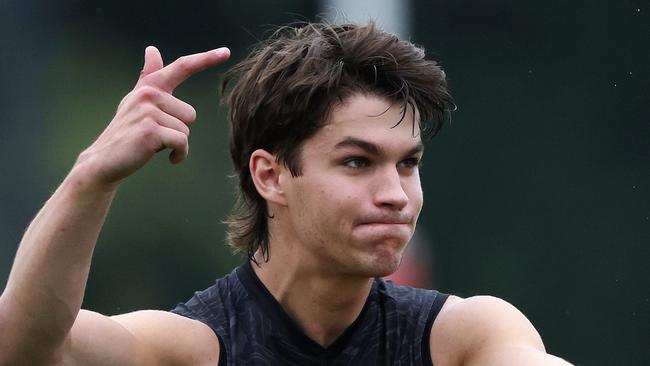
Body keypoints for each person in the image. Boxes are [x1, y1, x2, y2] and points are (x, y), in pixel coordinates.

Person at [0, 22, 572, 366]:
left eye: (409, 163)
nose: (397, 194)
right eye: (358, 162)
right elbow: (26, 350)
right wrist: (91, 175)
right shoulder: (191, 349)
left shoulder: (466, 339)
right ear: (270, 176)